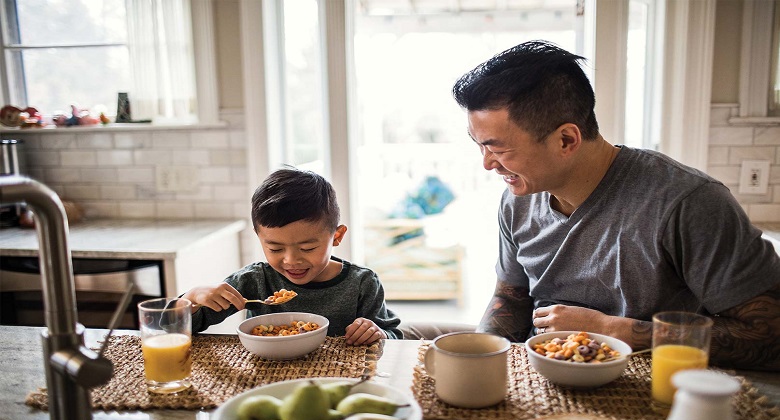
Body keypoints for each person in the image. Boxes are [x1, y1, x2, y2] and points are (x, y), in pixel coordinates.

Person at [447, 40, 780, 370]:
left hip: (653, 391)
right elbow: (510, 300)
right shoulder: (517, 200)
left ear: (566, 140)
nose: (488, 164)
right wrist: (478, 359)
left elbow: (769, 336)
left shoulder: (689, 203)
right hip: (539, 383)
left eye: (499, 149)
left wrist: (613, 331)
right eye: (479, 145)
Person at [182, 167, 402, 345]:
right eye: (275, 249)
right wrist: (190, 298)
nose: (291, 260)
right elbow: (171, 330)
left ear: (337, 236)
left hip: (341, 378)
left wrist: (377, 334)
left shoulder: (362, 283)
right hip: (265, 377)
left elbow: (394, 339)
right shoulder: (254, 281)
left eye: (307, 248)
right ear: (259, 238)